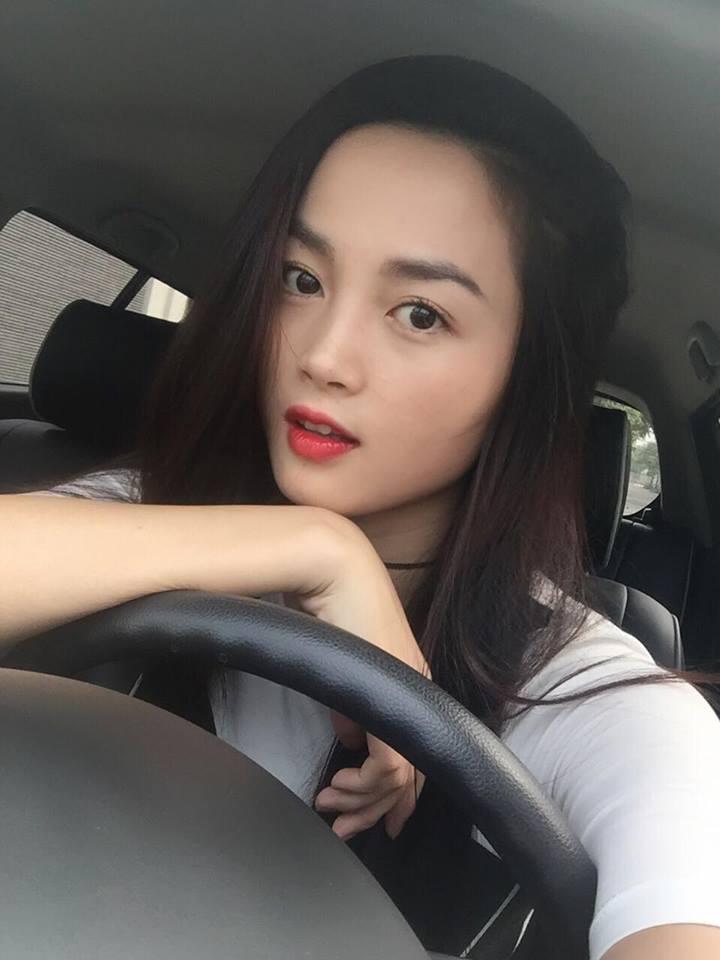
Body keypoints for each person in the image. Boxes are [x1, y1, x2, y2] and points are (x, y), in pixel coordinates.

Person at [3, 55, 720, 960]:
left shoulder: (577, 690)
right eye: (301, 278)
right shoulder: (143, 517)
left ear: (525, 378)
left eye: (420, 313)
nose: (324, 355)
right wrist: (312, 546)